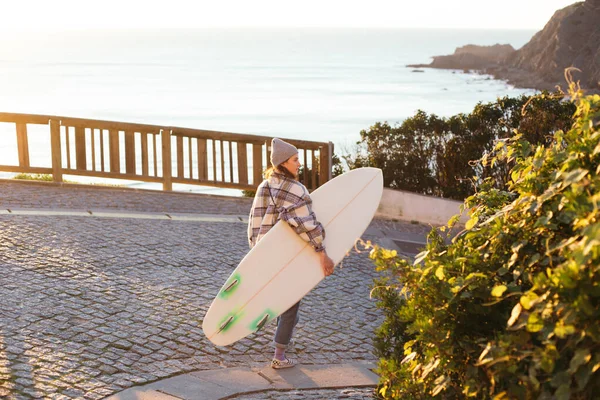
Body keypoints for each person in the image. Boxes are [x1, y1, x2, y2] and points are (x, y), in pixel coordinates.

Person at [248, 137, 335, 369]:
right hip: (288, 257)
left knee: (284, 304)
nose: (299, 164)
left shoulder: (264, 186)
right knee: (290, 306)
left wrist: (256, 254)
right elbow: (307, 224)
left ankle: (280, 344)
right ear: (284, 163)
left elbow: (253, 225)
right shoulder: (295, 189)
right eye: (295, 160)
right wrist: (322, 252)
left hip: (265, 255)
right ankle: (280, 355)